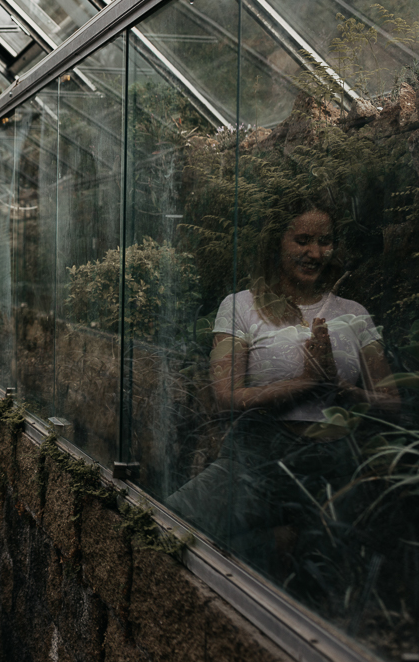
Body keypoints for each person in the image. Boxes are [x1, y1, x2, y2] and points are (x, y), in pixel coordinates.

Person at [167, 199, 399, 574]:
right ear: (278, 243)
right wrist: (305, 383)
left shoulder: (354, 314)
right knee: (172, 527)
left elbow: (391, 402)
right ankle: (278, 543)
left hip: (331, 467)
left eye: (324, 241)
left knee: (320, 577)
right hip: (256, 458)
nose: (314, 252)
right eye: (302, 240)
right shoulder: (241, 306)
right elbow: (225, 396)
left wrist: (345, 391)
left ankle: (286, 547)